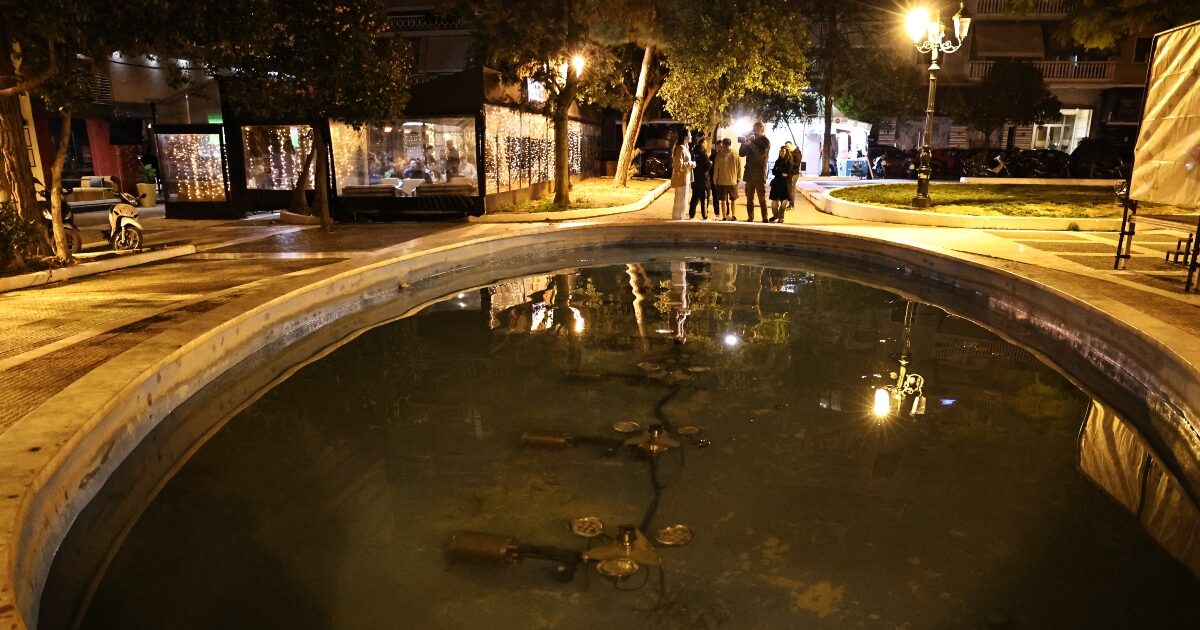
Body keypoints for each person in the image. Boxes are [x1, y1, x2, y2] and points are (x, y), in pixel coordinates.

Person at [739, 121, 771, 222]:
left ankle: (764, 217)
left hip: (759, 173)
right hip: (749, 173)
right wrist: (744, 142)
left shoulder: (765, 141)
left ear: (762, 130)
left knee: (761, 198)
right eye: (754, 129)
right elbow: (741, 153)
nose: (755, 131)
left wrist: (750, 144)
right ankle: (750, 216)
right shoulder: (752, 140)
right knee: (749, 198)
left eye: (757, 130)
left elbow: (761, 154)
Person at [713, 138, 741, 221]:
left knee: (723, 200)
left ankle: (724, 216)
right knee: (733, 200)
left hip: (721, 181)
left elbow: (716, 169)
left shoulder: (719, 155)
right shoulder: (735, 154)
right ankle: (734, 215)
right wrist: (738, 178)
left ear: (723, 144)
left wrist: (715, 179)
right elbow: (739, 167)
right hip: (733, 181)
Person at [670, 130, 695, 220]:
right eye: (689, 135)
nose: (691, 136)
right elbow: (678, 165)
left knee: (684, 198)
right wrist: (690, 164)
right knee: (680, 199)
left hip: (685, 177)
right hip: (681, 178)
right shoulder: (680, 148)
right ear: (685, 137)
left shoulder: (685, 147)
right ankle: (678, 217)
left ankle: (680, 217)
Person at [768, 145, 795, 222]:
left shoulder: (789, 161)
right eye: (780, 151)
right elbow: (773, 171)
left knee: (783, 203)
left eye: (783, 151)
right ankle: (775, 215)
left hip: (785, 184)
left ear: (786, 152)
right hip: (776, 184)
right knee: (774, 202)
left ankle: (781, 217)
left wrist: (778, 169)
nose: (781, 152)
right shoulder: (777, 161)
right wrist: (780, 171)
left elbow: (788, 171)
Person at [689, 136, 712, 219]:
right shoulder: (703, 154)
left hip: (695, 179)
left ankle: (691, 214)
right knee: (704, 199)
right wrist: (710, 164)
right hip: (703, 179)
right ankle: (704, 215)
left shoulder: (692, 153)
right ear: (702, 144)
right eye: (705, 143)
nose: (706, 145)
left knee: (694, 197)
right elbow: (708, 166)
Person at [784, 141, 800, 209]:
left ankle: (792, 204)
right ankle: (789, 202)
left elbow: (797, 164)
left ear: (791, 145)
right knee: (788, 188)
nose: (787, 148)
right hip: (789, 174)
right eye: (786, 147)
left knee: (792, 188)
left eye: (788, 146)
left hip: (794, 174)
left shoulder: (797, 152)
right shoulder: (789, 153)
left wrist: (790, 164)